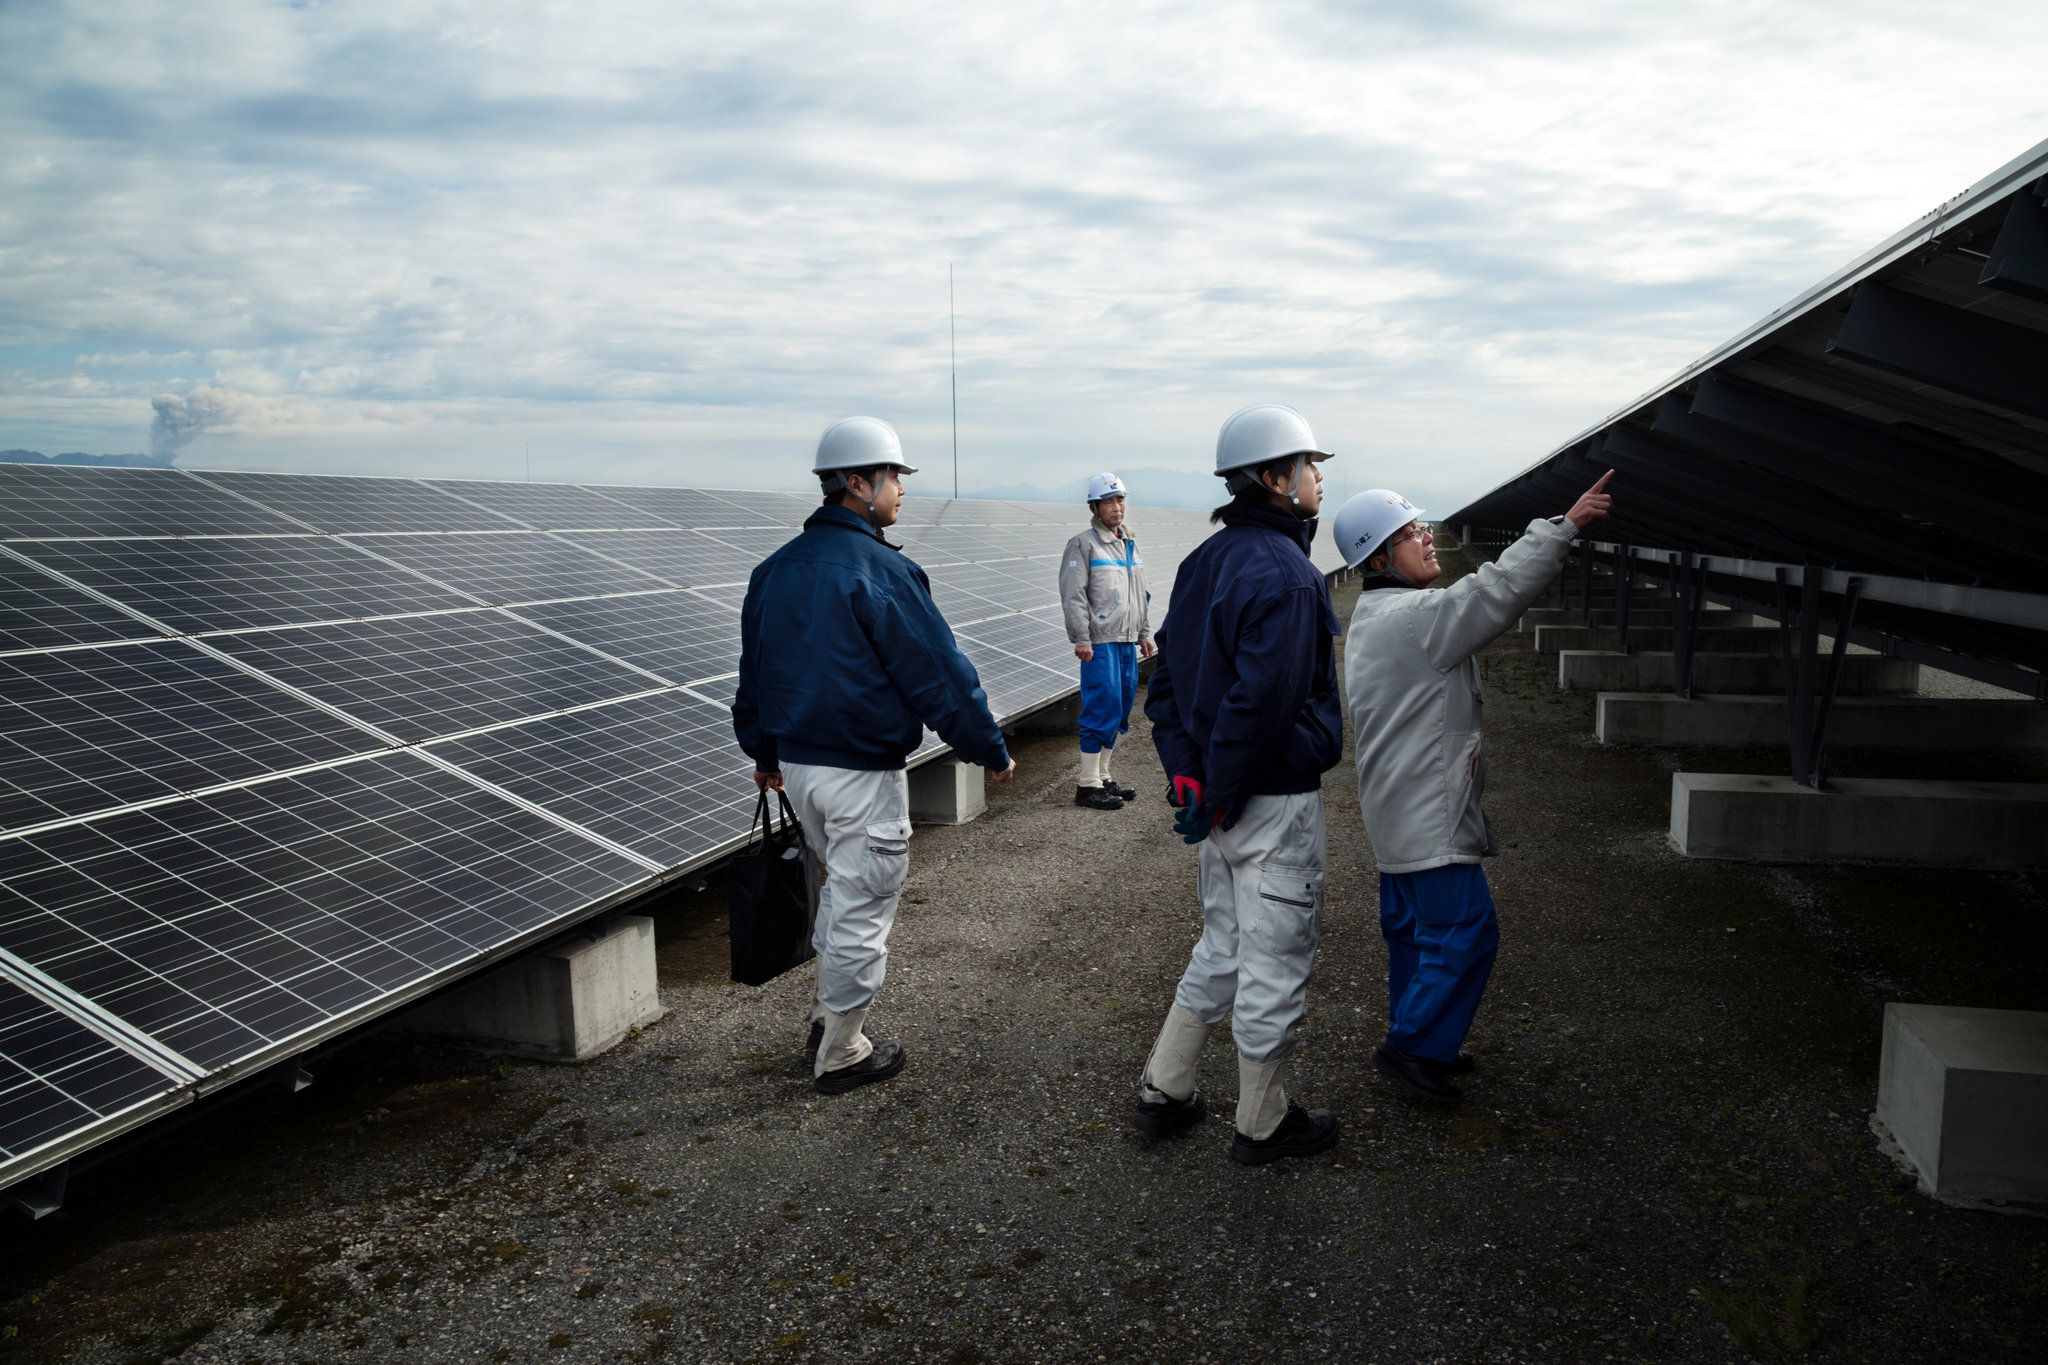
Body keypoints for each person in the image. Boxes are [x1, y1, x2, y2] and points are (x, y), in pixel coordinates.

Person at [733, 416, 1018, 1095]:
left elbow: (757, 674)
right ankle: (842, 1050)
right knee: (863, 904)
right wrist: (988, 747)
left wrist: (766, 751)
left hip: (800, 770)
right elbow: (938, 673)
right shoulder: (882, 570)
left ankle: (825, 1017)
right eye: (894, 477)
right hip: (861, 771)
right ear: (858, 484)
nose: (901, 491)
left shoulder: (774, 571)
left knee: (841, 891)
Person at [1332, 471, 1614, 1105]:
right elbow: (1498, 590)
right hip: (1427, 811)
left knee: (1415, 934)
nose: (1427, 538)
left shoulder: (1376, 617)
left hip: (1396, 808)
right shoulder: (1413, 618)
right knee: (1466, 930)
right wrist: (1562, 528)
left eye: (1423, 527)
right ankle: (1411, 1048)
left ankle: (1418, 1038)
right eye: (1411, 533)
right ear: (1379, 557)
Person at [1132, 404, 1346, 1166]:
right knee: (1276, 958)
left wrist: (1188, 779)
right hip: (1271, 803)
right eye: (1308, 464)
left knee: (1222, 942)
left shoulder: (1203, 563)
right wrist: (1217, 785)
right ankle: (1262, 1121)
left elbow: (1166, 688)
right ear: (1274, 479)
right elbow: (1261, 706)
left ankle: (1167, 1083)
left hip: (1218, 805)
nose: (1319, 476)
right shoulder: (1290, 576)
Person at [1058, 472, 1155, 810]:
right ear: (1095, 506)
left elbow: (1139, 594)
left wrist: (1143, 633)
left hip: (1127, 641)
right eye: (1110, 500)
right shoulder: (1083, 545)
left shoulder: (1129, 542)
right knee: (1101, 706)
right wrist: (1081, 638)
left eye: (1121, 499)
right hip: (1099, 642)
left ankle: (1103, 776)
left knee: (1121, 707)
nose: (1118, 506)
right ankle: (1086, 785)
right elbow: (1073, 595)